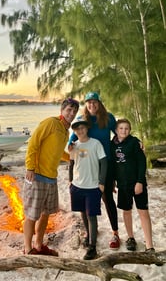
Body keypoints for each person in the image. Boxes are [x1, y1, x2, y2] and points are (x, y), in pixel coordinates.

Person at [23, 97, 79, 256]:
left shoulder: (65, 131)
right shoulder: (50, 123)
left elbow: (59, 152)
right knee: (32, 214)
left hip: (51, 177)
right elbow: (33, 143)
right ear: (62, 110)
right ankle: (28, 249)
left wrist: (72, 158)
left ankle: (39, 245)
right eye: (69, 110)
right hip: (37, 175)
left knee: (45, 213)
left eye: (74, 111)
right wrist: (30, 167)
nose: (71, 113)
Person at [68, 91, 120, 249]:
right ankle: (91, 233)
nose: (92, 105)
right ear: (86, 104)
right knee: (86, 201)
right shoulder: (83, 119)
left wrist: (135, 142)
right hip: (89, 165)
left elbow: (120, 133)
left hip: (106, 163)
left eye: (94, 102)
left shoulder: (108, 118)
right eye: (89, 103)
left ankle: (115, 233)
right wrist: (70, 145)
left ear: (99, 103)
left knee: (107, 198)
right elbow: (74, 137)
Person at [110, 118, 154, 252]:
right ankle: (131, 238)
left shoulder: (134, 142)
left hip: (137, 184)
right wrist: (112, 182)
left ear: (130, 130)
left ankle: (149, 245)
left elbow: (142, 162)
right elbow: (112, 165)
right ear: (116, 130)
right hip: (122, 185)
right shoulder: (112, 145)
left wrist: (140, 181)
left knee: (143, 212)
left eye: (126, 128)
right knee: (126, 211)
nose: (124, 131)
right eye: (121, 128)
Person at [69, 119, 107, 260]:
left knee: (91, 215)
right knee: (83, 213)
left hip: (92, 186)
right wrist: (69, 181)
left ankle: (93, 247)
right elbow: (71, 164)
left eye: (82, 128)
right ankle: (89, 236)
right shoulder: (74, 146)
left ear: (87, 129)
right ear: (74, 131)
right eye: (77, 129)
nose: (80, 130)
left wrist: (102, 182)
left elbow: (104, 162)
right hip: (77, 186)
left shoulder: (95, 143)